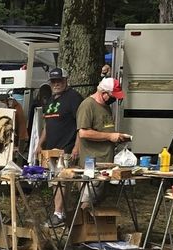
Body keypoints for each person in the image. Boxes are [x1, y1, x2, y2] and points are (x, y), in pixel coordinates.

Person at [57, 76, 128, 224]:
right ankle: (78, 228)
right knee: (88, 198)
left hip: (105, 161)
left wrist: (116, 137)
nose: (114, 100)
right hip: (92, 161)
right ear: (104, 93)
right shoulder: (87, 105)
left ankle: (89, 229)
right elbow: (83, 132)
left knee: (97, 198)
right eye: (113, 96)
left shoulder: (105, 106)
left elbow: (104, 130)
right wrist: (110, 136)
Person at [39, 68, 84, 225]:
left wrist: (76, 147)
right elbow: (47, 124)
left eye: (59, 81)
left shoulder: (73, 98)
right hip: (51, 149)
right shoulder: (51, 100)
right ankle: (62, 212)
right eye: (53, 81)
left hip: (66, 147)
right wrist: (39, 144)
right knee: (54, 181)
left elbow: (81, 125)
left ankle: (58, 214)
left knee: (61, 180)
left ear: (66, 80)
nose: (56, 84)